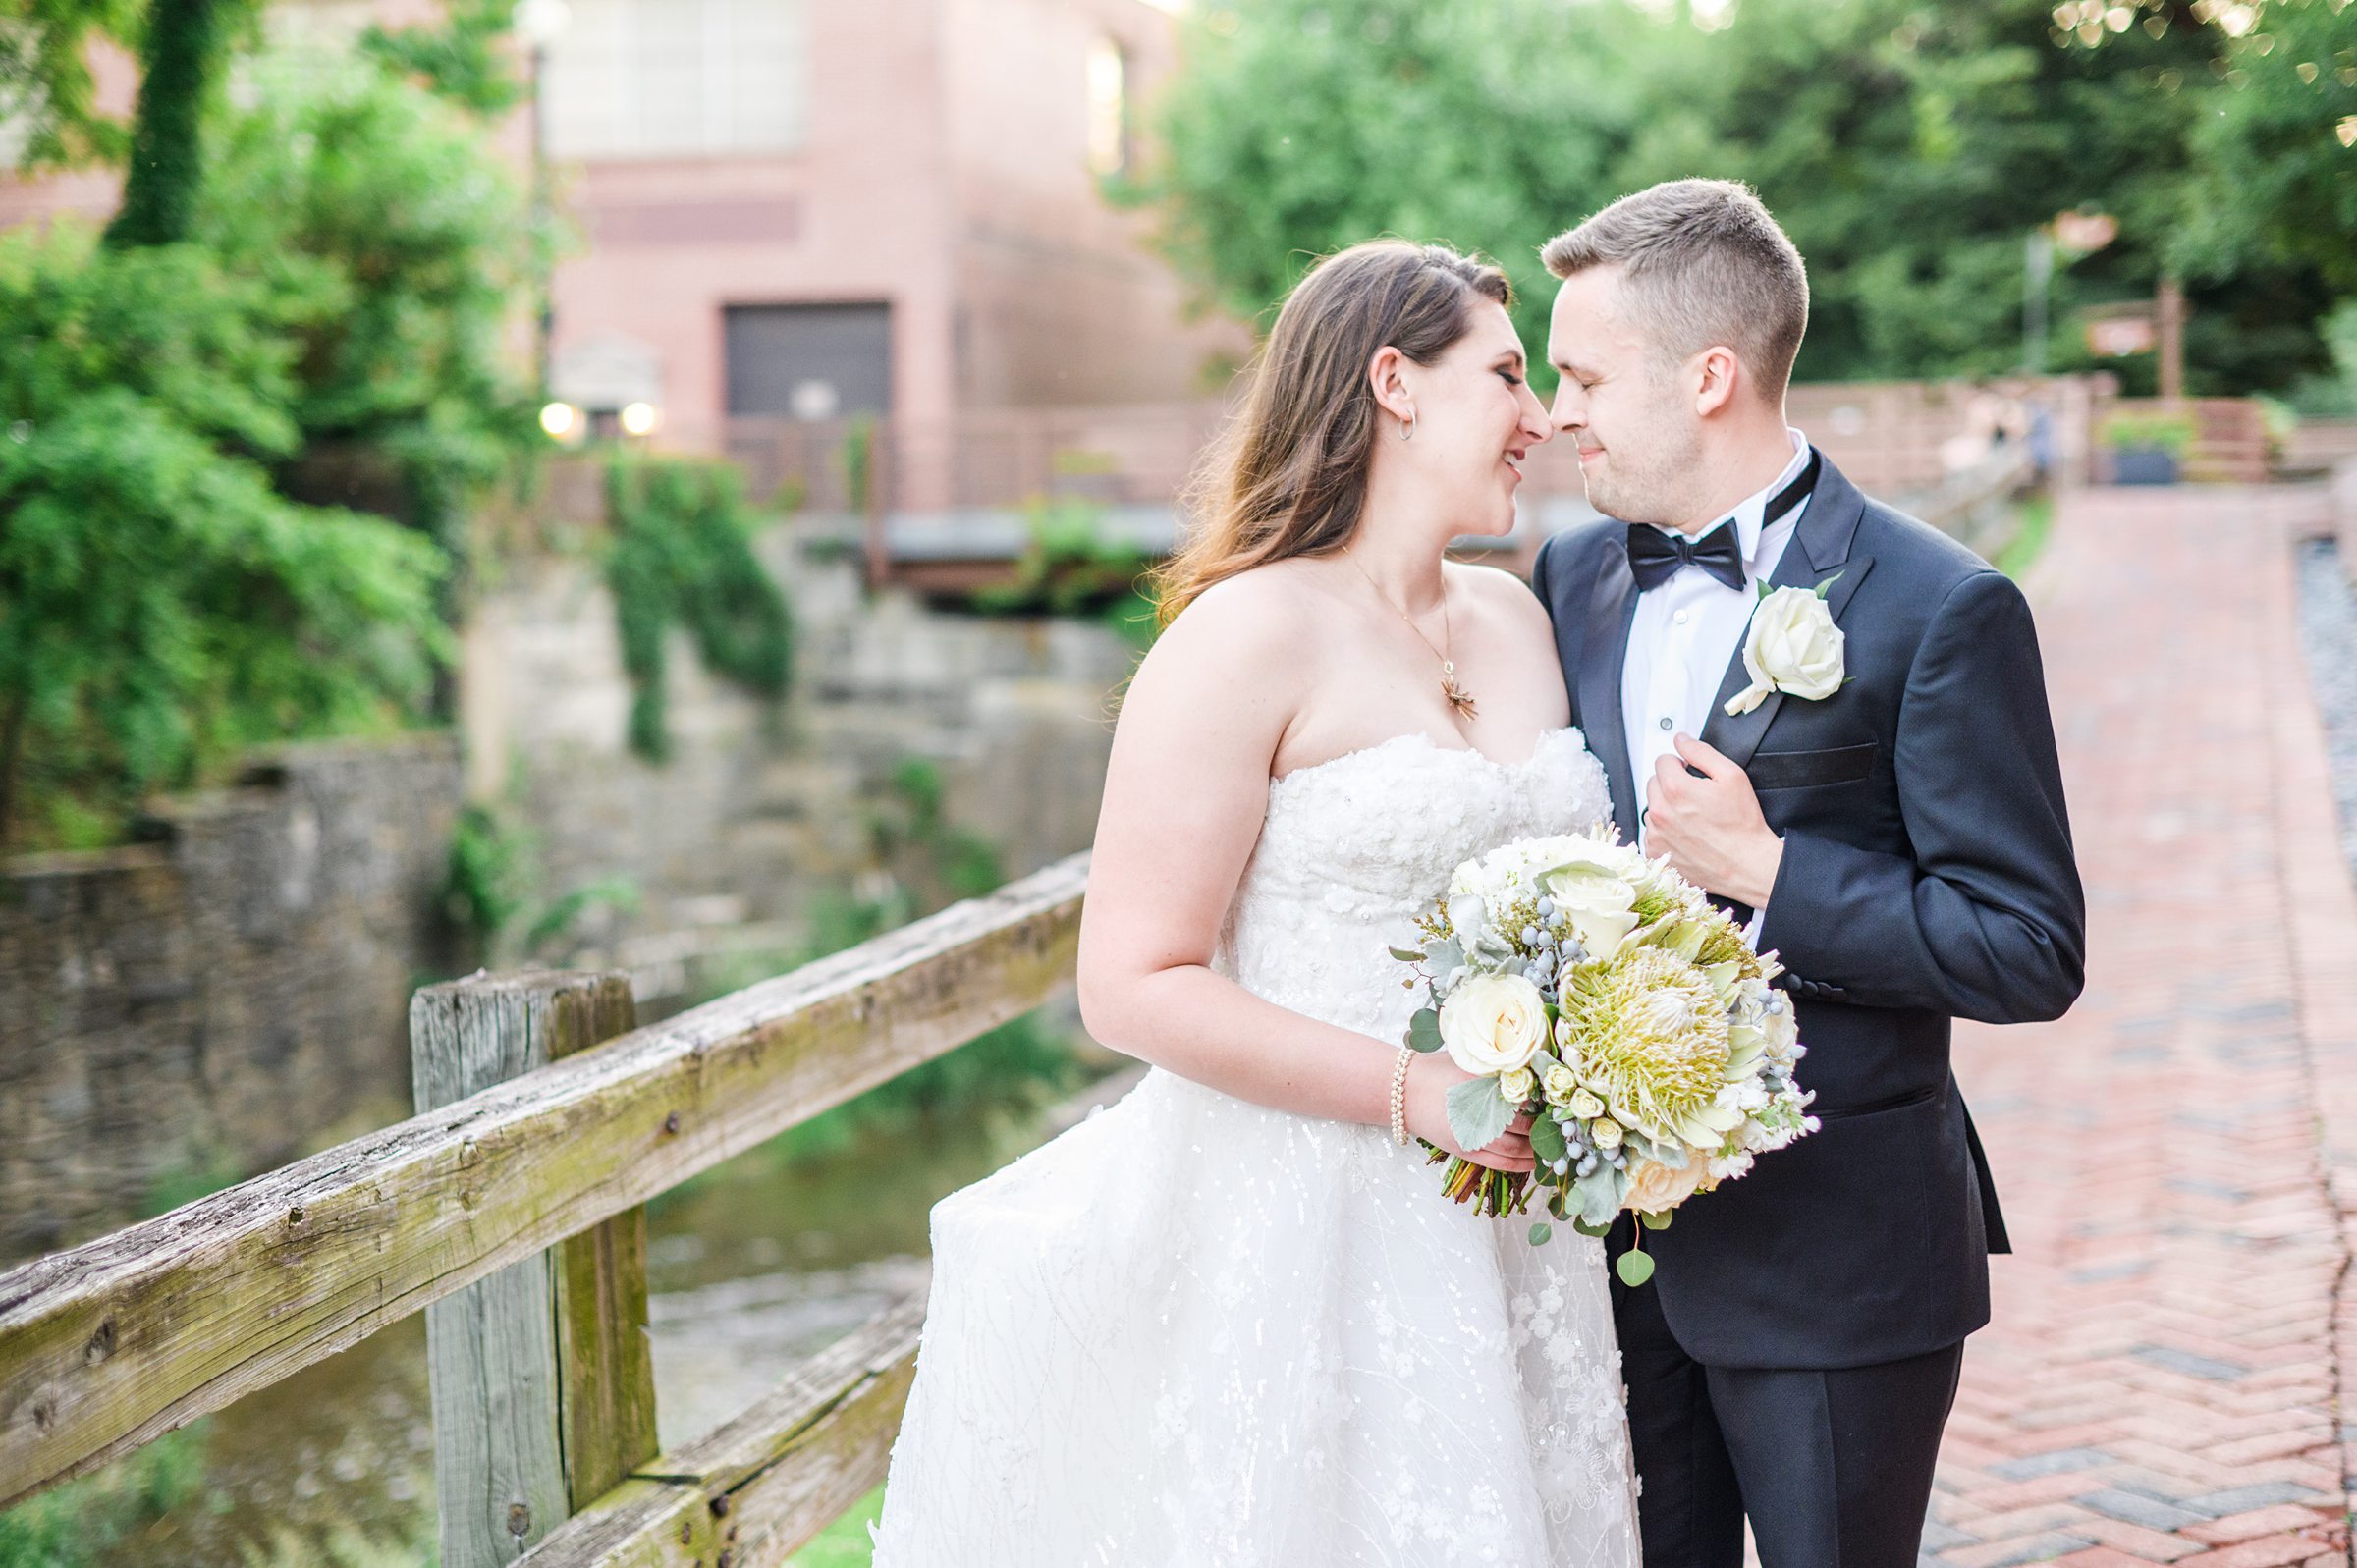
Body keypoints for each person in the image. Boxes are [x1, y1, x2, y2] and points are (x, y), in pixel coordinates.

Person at [866, 241, 1642, 1565]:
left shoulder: (1517, 622)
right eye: (1509, 377)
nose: (1540, 418)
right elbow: (1133, 980)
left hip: (1522, 1242)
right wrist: (1421, 1093)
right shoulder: (1240, 641)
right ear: (1394, 381)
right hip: (1313, 1219)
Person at [1529, 179, 2086, 1568]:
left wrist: (1776, 872)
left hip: (1839, 1260)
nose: (1557, 409)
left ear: (1709, 375)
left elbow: (2027, 944)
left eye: (1585, 373)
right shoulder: (1571, 576)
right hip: (1608, 1259)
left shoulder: (1937, 605)